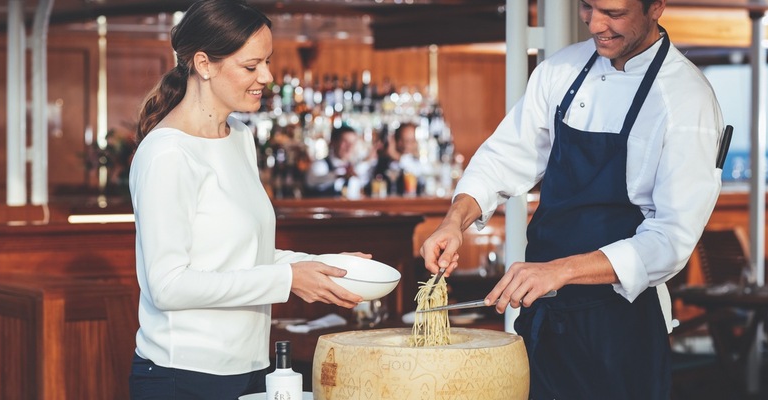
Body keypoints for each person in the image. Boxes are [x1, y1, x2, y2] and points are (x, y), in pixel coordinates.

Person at [420, 0, 724, 398]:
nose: (596, 24)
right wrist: (454, 220)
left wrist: (559, 270)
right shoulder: (561, 71)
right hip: (545, 319)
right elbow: (503, 158)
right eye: (587, 7)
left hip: (621, 333)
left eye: (613, 13)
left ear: (656, 8)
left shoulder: (687, 100)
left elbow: (670, 241)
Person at [128, 1, 364, 398]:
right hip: (182, 375)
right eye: (252, 66)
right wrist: (289, 280)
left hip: (252, 366)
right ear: (204, 65)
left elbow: (240, 257)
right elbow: (167, 286)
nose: (267, 77)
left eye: (267, 62)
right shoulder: (167, 153)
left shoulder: (240, 136)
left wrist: (321, 266)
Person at [304, 124, 371, 197]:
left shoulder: (353, 167)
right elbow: (312, 181)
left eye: (353, 142)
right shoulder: (320, 164)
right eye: (345, 142)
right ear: (334, 142)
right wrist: (338, 176)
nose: (350, 147)